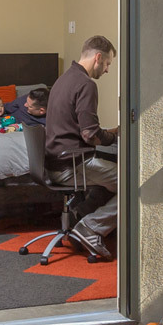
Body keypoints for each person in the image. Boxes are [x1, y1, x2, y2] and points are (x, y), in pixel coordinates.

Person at [45, 35, 119, 260]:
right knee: (133, 183)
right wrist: (115, 135)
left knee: (109, 178)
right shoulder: (86, 84)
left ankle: (80, 217)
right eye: (107, 64)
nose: (106, 70)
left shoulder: (64, 79)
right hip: (72, 165)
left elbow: (80, 129)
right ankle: (91, 227)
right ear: (98, 58)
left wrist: (108, 134)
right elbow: (91, 135)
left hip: (56, 161)